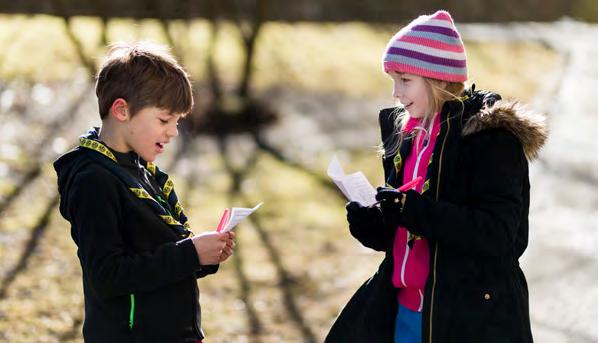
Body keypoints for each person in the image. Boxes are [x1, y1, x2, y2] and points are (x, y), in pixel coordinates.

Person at [326, 10, 547, 343]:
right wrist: (374, 224)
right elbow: (408, 238)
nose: (395, 93)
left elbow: (501, 236)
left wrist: (411, 209)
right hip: (404, 311)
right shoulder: (407, 137)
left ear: (438, 78)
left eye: (404, 79)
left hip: (467, 321)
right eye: (393, 79)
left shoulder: (490, 140)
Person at [54, 42, 235, 343]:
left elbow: (162, 256)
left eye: (177, 122)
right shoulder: (94, 181)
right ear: (122, 110)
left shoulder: (143, 170)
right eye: (164, 120)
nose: (173, 132)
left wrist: (203, 255)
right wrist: (190, 252)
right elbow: (108, 276)